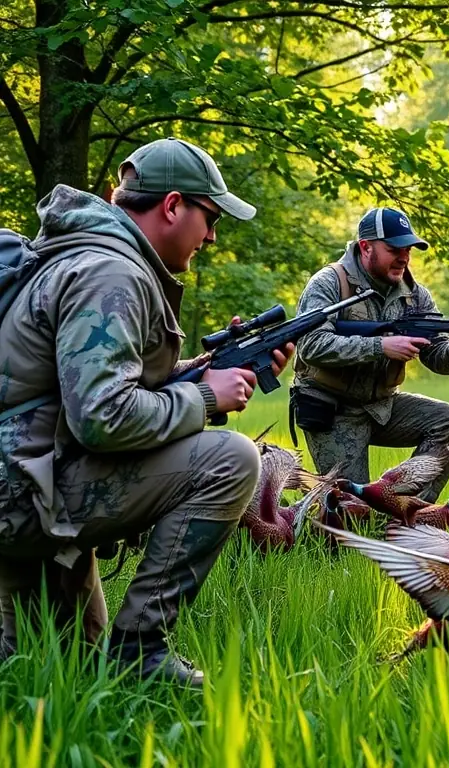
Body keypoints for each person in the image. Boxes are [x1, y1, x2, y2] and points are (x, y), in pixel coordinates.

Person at [0, 137, 293, 687]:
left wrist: (206, 368)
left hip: (21, 485)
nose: (211, 235)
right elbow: (103, 416)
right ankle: (141, 650)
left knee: (51, 676)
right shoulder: (113, 274)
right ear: (174, 205)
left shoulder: (83, 254)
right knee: (229, 459)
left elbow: (87, 387)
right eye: (209, 217)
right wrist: (207, 397)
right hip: (27, 497)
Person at [291, 207, 449, 500]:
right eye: (394, 249)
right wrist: (380, 346)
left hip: (382, 408)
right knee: (351, 512)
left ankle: (408, 513)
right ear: (366, 247)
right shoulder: (329, 283)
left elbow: (438, 357)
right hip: (332, 410)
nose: (404, 257)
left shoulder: (416, 295)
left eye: (408, 250)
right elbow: (311, 344)